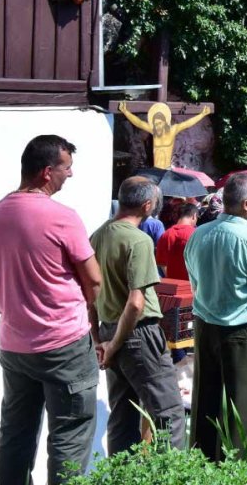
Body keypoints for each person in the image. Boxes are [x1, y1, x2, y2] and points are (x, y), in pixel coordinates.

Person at [0, 135, 101, 485]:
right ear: (48, 172)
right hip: (62, 341)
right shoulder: (61, 217)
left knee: (15, 432)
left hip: (15, 343)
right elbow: (94, 282)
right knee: (70, 432)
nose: (71, 175)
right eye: (67, 168)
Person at [184, 172, 247, 462]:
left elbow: (194, 284)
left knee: (205, 402)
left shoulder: (199, 233)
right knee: (242, 406)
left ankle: (201, 467)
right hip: (242, 330)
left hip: (205, 325)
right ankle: (232, 471)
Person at [89, 177, 185, 454]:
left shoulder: (98, 235)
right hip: (135, 334)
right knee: (169, 413)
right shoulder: (138, 240)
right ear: (147, 205)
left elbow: (90, 296)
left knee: (123, 414)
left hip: (110, 331)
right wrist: (114, 343)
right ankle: (171, 476)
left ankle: (122, 475)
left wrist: (100, 340)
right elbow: (135, 303)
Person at [156, 202, 199, 279]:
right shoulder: (195, 235)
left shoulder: (166, 234)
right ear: (194, 216)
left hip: (171, 286)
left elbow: (162, 263)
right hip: (191, 286)